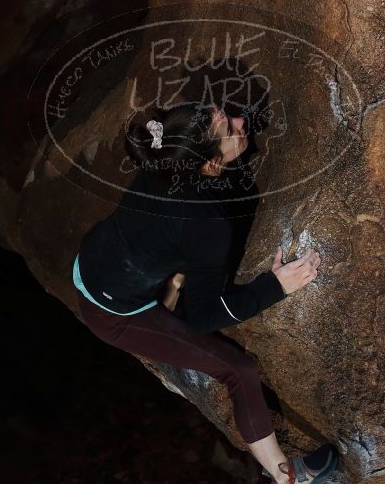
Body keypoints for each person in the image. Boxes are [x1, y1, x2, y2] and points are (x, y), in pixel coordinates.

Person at [72, 102, 339, 483]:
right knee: (238, 369)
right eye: (231, 128)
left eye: (223, 115)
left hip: (96, 259)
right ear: (212, 165)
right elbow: (202, 318)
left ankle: (171, 290)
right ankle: (285, 477)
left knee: (175, 274)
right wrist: (275, 286)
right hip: (112, 313)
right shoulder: (205, 222)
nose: (241, 120)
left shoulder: (163, 156)